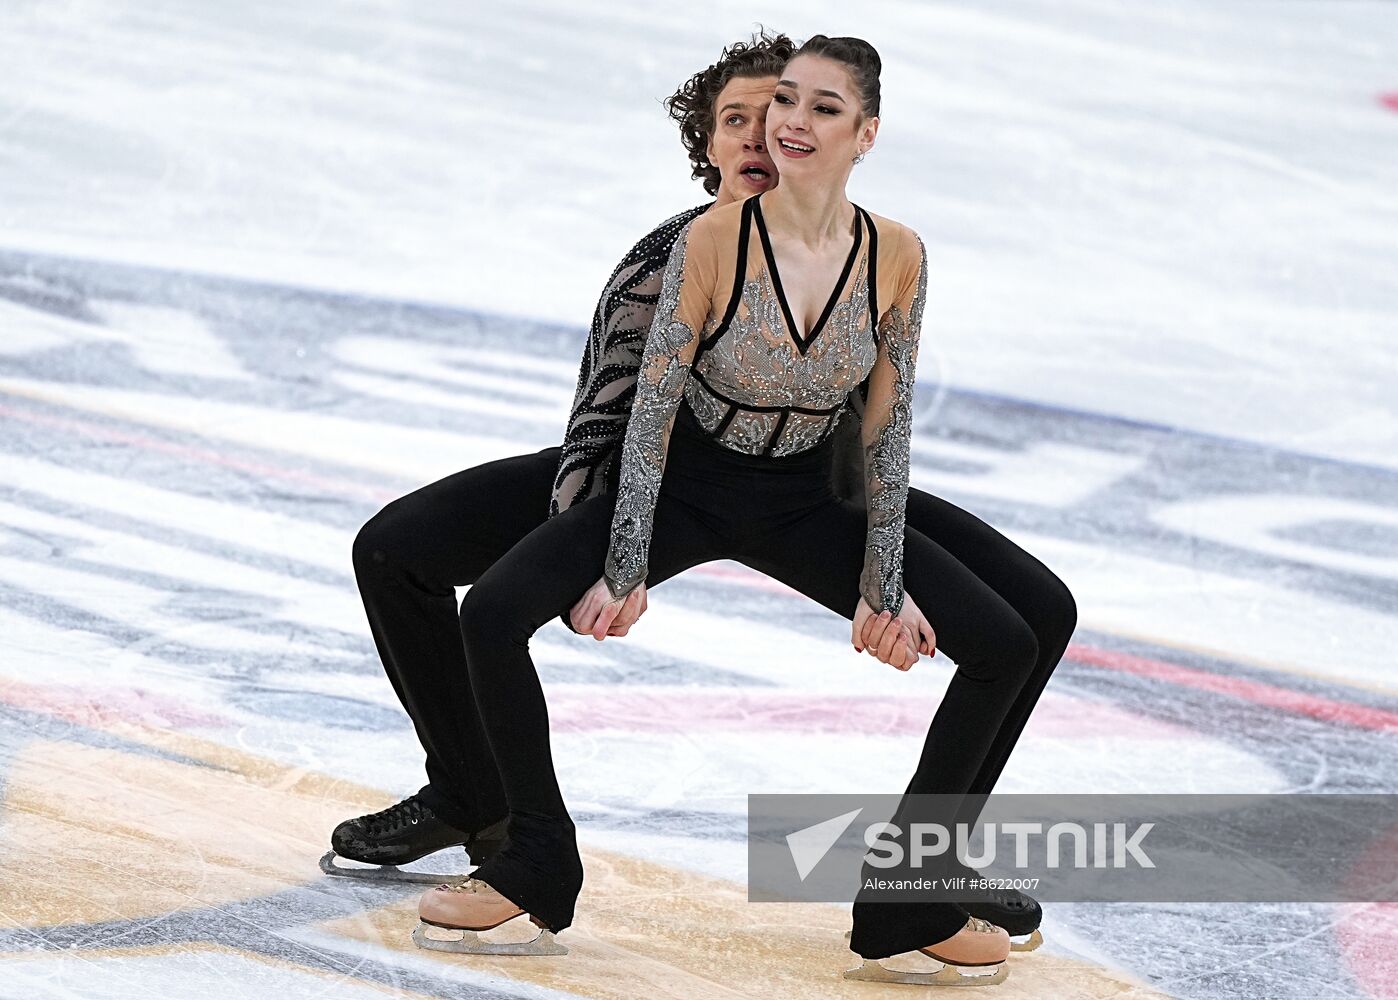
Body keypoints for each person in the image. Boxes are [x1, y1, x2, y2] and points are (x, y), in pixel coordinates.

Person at [414, 35, 1071, 987]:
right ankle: (536, 862)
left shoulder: (899, 253)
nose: (793, 122)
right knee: (495, 609)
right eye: (783, 105)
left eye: (822, 108)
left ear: (867, 132)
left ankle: (913, 886)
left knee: (1017, 634)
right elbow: (634, 413)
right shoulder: (709, 240)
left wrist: (884, 587)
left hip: (814, 494)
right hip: (685, 483)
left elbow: (886, 428)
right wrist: (621, 559)